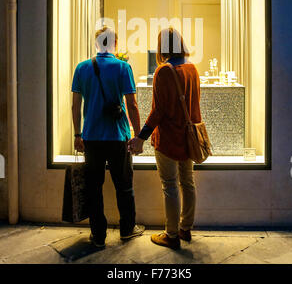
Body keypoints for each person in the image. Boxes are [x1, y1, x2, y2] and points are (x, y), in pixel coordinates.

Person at [72, 26, 145, 249]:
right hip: (117, 136)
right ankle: (126, 229)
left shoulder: (82, 68)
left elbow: (75, 105)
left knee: (94, 187)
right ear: (115, 44)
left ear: (96, 44)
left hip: (91, 137)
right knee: (124, 185)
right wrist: (138, 135)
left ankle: (98, 235)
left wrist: (77, 134)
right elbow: (131, 104)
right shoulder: (123, 67)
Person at [129, 27, 201, 250]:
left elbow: (158, 110)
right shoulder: (192, 68)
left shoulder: (164, 71)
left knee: (170, 185)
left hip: (169, 138)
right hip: (189, 138)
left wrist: (140, 137)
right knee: (187, 183)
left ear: (163, 46)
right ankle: (185, 229)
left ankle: (171, 235)